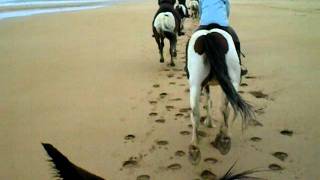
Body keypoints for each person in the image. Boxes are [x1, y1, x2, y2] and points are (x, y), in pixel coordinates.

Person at [198, 0, 248, 75]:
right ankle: (239, 66)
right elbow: (227, 7)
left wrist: (202, 19)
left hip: (205, 23)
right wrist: (225, 18)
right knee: (235, 40)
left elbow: (200, 9)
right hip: (221, 23)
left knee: (192, 41)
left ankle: (188, 65)